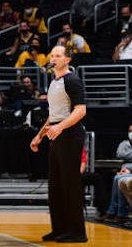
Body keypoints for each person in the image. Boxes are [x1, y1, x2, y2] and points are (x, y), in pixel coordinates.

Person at [30, 45, 87, 243]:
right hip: (57, 133)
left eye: (58, 55)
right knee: (55, 186)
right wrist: (39, 136)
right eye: (52, 55)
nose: (53, 58)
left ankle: (77, 232)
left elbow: (80, 110)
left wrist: (60, 127)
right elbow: (53, 115)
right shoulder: (54, 82)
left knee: (70, 184)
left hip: (70, 134)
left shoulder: (72, 80)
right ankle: (60, 229)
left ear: (67, 59)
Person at [101, 124, 132, 223]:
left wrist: (128, 158)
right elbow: (119, 154)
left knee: (119, 178)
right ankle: (113, 211)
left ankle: (121, 213)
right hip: (125, 170)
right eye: (130, 131)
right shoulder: (123, 143)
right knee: (116, 177)